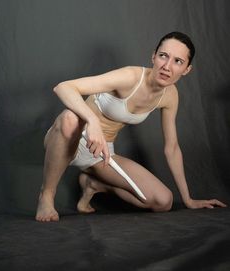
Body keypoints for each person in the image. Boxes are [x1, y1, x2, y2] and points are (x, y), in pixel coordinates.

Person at [36, 31, 227, 222]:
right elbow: (63, 87)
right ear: (154, 56)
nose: (167, 66)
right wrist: (92, 121)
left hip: (100, 153)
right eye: (163, 56)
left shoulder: (170, 96)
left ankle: (94, 184)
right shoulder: (130, 77)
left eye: (178, 61)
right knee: (70, 118)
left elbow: (172, 148)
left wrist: (188, 199)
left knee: (163, 201)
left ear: (186, 69)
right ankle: (46, 196)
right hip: (69, 139)